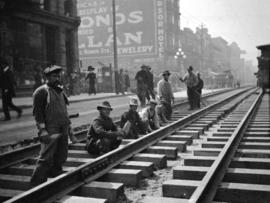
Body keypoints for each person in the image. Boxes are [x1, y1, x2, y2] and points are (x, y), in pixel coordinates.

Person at [30, 65, 78, 186]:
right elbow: (38, 114)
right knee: (45, 158)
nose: (57, 78)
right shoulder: (41, 92)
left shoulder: (60, 91)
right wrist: (43, 131)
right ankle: (36, 185)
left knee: (61, 156)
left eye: (58, 76)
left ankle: (55, 179)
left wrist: (71, 133)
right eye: (53, 76)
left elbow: (64, 113)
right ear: (47, 77)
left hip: (63, 129)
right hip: (50, 130)